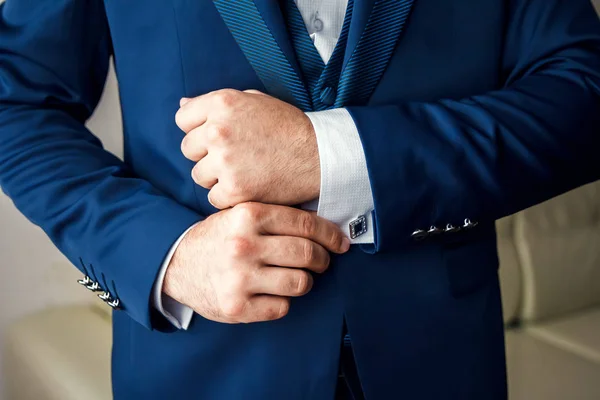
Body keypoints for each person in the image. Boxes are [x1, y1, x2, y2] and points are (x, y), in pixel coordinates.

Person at [1, 0, 599, 398]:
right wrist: (165, 257)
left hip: (439, 361)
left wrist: (332, 156)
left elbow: (585, 94)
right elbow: (15, 103)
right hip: (198, 369)